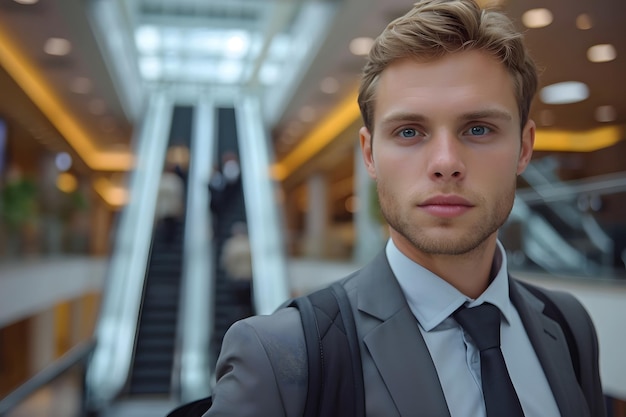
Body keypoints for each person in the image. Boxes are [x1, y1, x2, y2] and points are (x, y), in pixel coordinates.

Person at [205, 1, 606, 416]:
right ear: (370, 155)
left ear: (524, 148)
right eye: (410, 131)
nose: (446, 162)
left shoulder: (567, 325)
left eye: (479, 128)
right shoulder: (282, 355)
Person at [155, 164, 185, 243]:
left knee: (168, 225)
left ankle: (167, 240)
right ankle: (168, 240)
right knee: (169, 225)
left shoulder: (162, 180)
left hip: (167, 207)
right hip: (170, 207)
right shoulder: (175, 180)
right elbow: (178, 195)